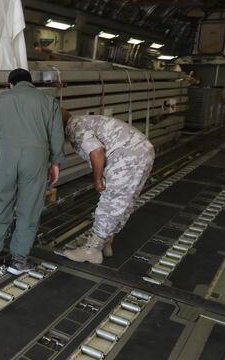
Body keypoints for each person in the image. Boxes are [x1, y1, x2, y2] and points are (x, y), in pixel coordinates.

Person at [0, 68, 64, 275]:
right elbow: (56, 135)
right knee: (29, 208)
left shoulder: (1, 99)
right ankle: (18, 261)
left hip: (7, 159)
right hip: (36, 160)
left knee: (1, 203)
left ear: (10, 84)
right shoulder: (48, 101)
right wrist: (56, 163)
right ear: (30, 83)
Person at [61, 111, 155, 263]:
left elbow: (97, 152)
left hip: (128, 157)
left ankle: (92, 250)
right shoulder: (81, 120)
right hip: (141, 152)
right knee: (123, 202)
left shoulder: (74, 127)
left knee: (111, 202)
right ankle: (105, 242)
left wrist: (97, 179)